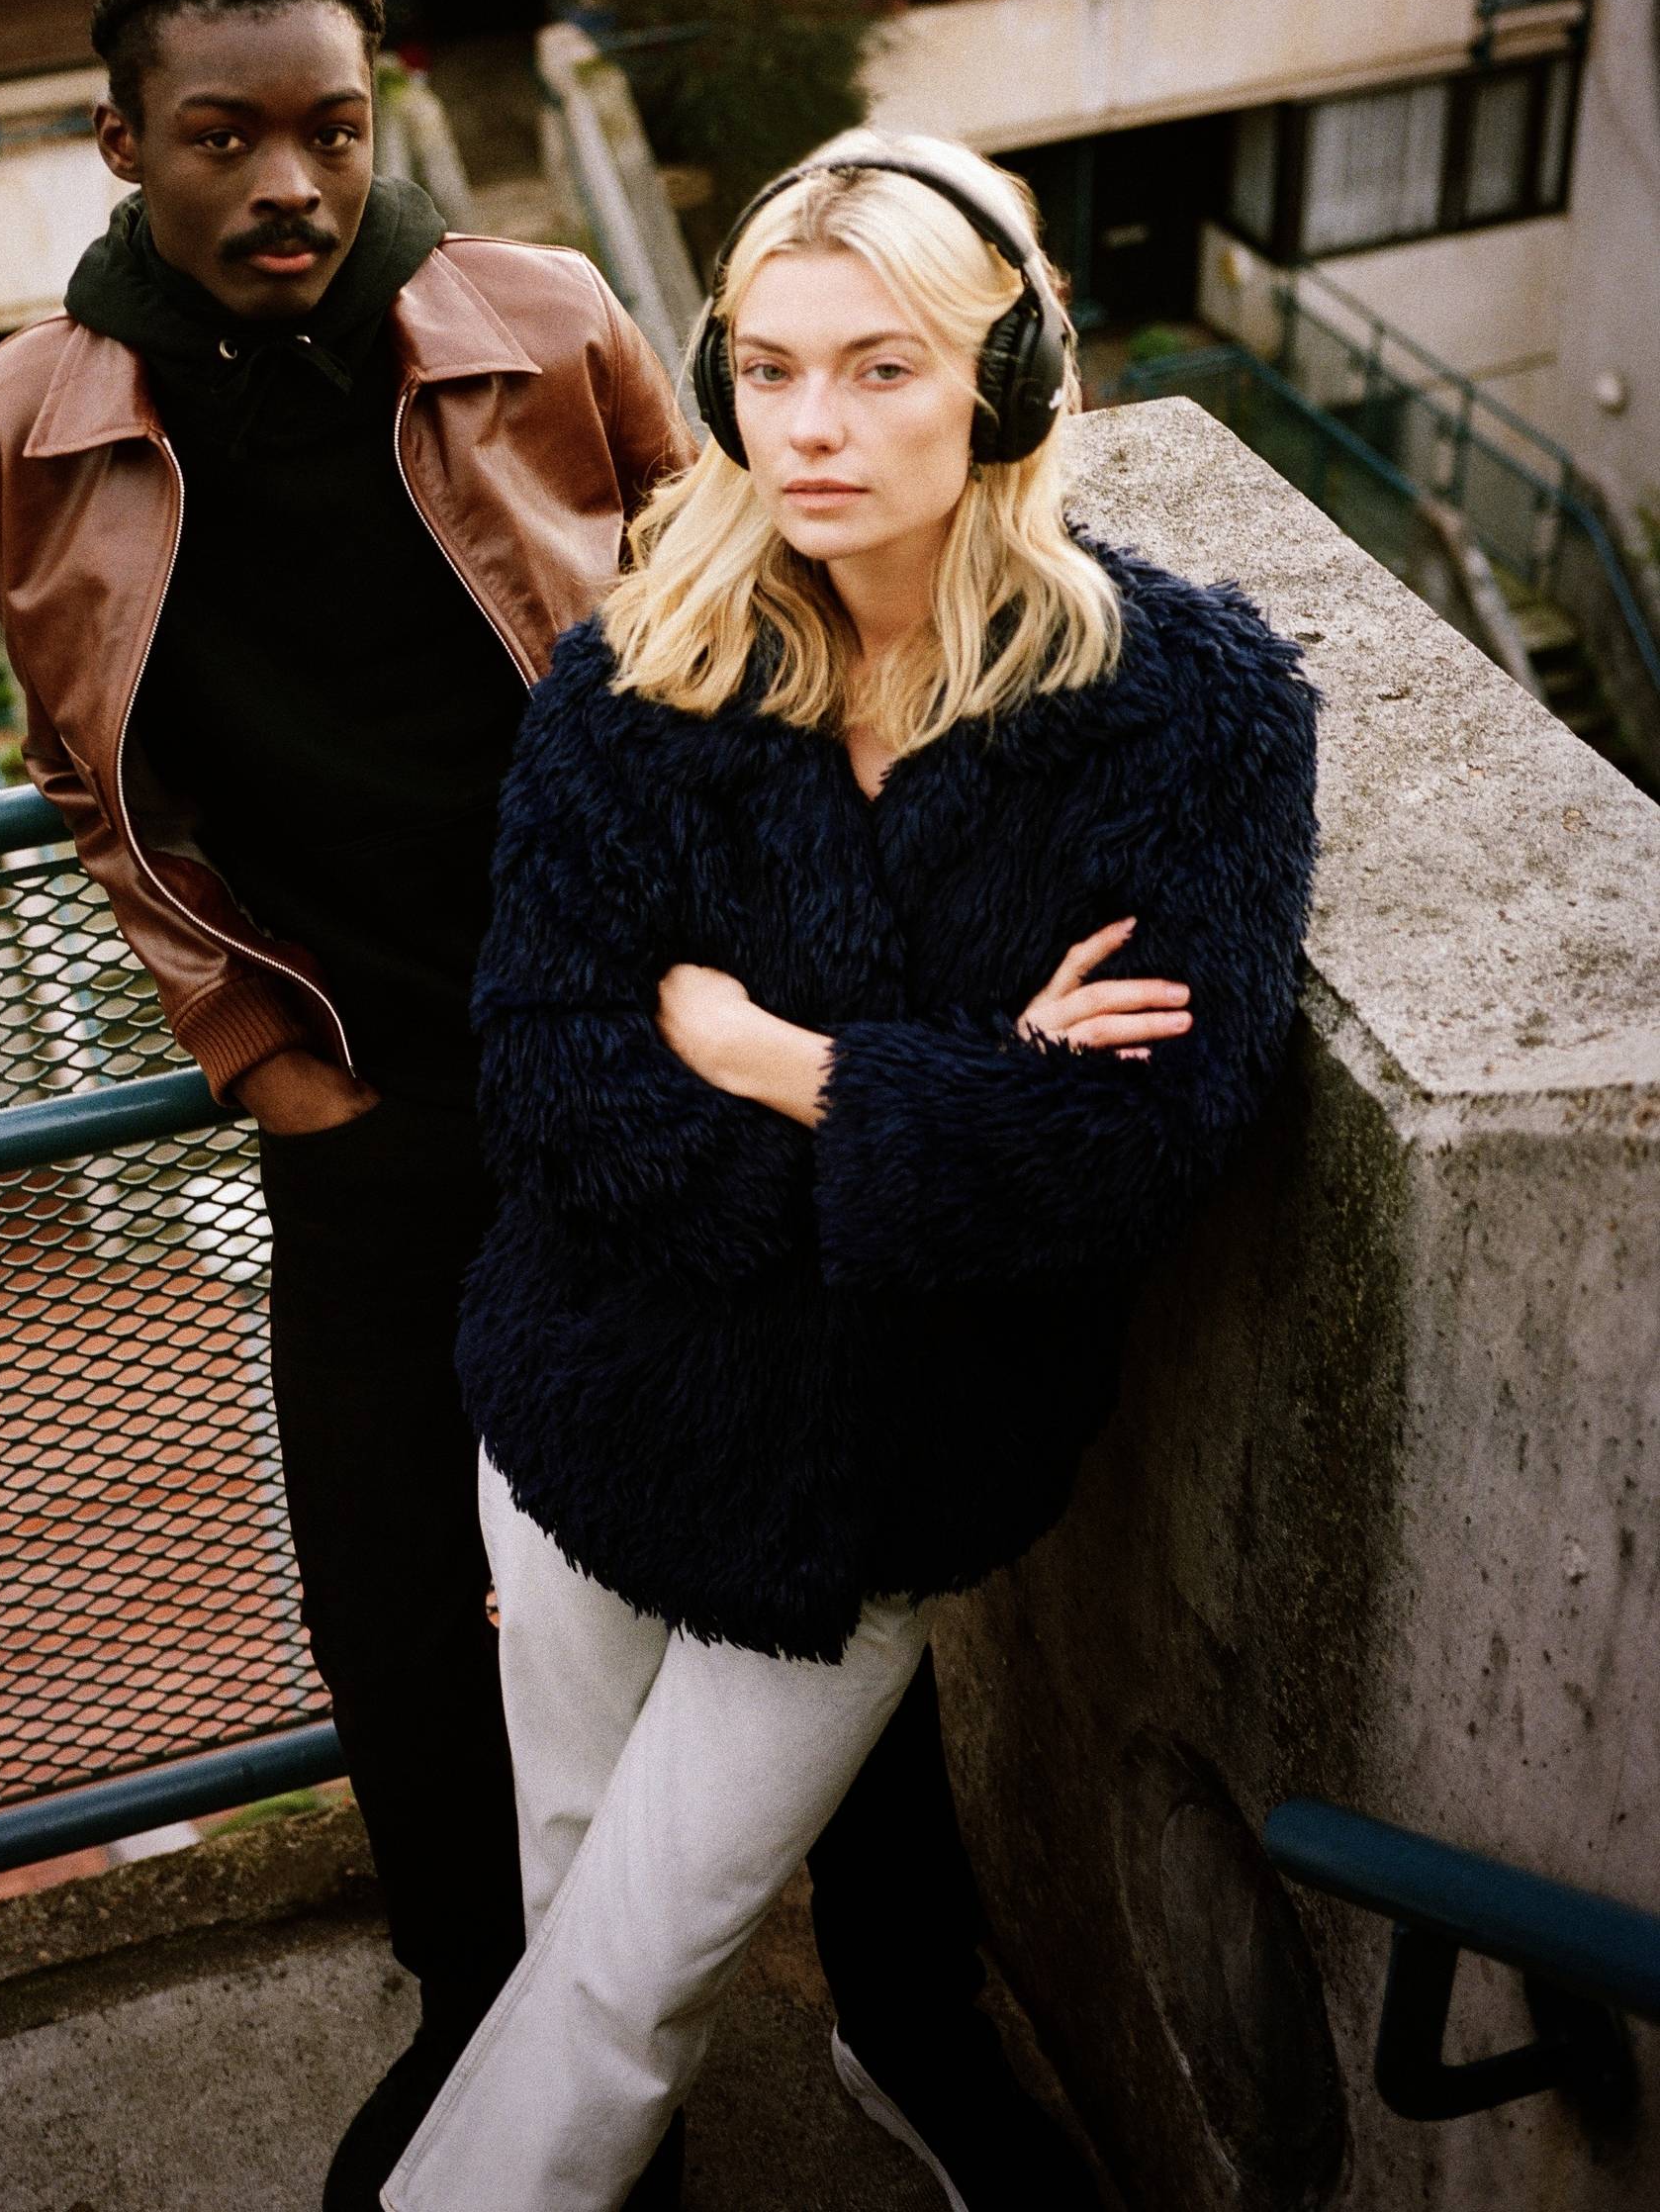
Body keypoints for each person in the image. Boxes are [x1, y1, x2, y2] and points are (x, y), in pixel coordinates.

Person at [0, 0, 1093, 2210]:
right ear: (119, 146)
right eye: (225, 134)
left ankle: (904, 2007)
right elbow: (88, 781)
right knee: (385, 1587)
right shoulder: (20, 418)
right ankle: (486, 2012)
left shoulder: (545, 322)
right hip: (362, 1104)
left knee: (791, 1517)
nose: (290, 179)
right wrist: (257, 1056)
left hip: (646, 1051)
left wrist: (757, 992)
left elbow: (750, 624)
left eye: (332, 128)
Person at [387, 141, 1322, 2210]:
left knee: (634, 1971)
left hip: (882, 1474)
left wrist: (767, 1056)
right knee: (571, 1900)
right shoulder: (631, 680)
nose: (807, 428)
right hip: (580, 1396)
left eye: (880, 369)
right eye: (767, 367)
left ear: (1005, 385)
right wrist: (946, 1107)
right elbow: (544, 1087)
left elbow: (1135, 1161)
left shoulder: (1187, 715)